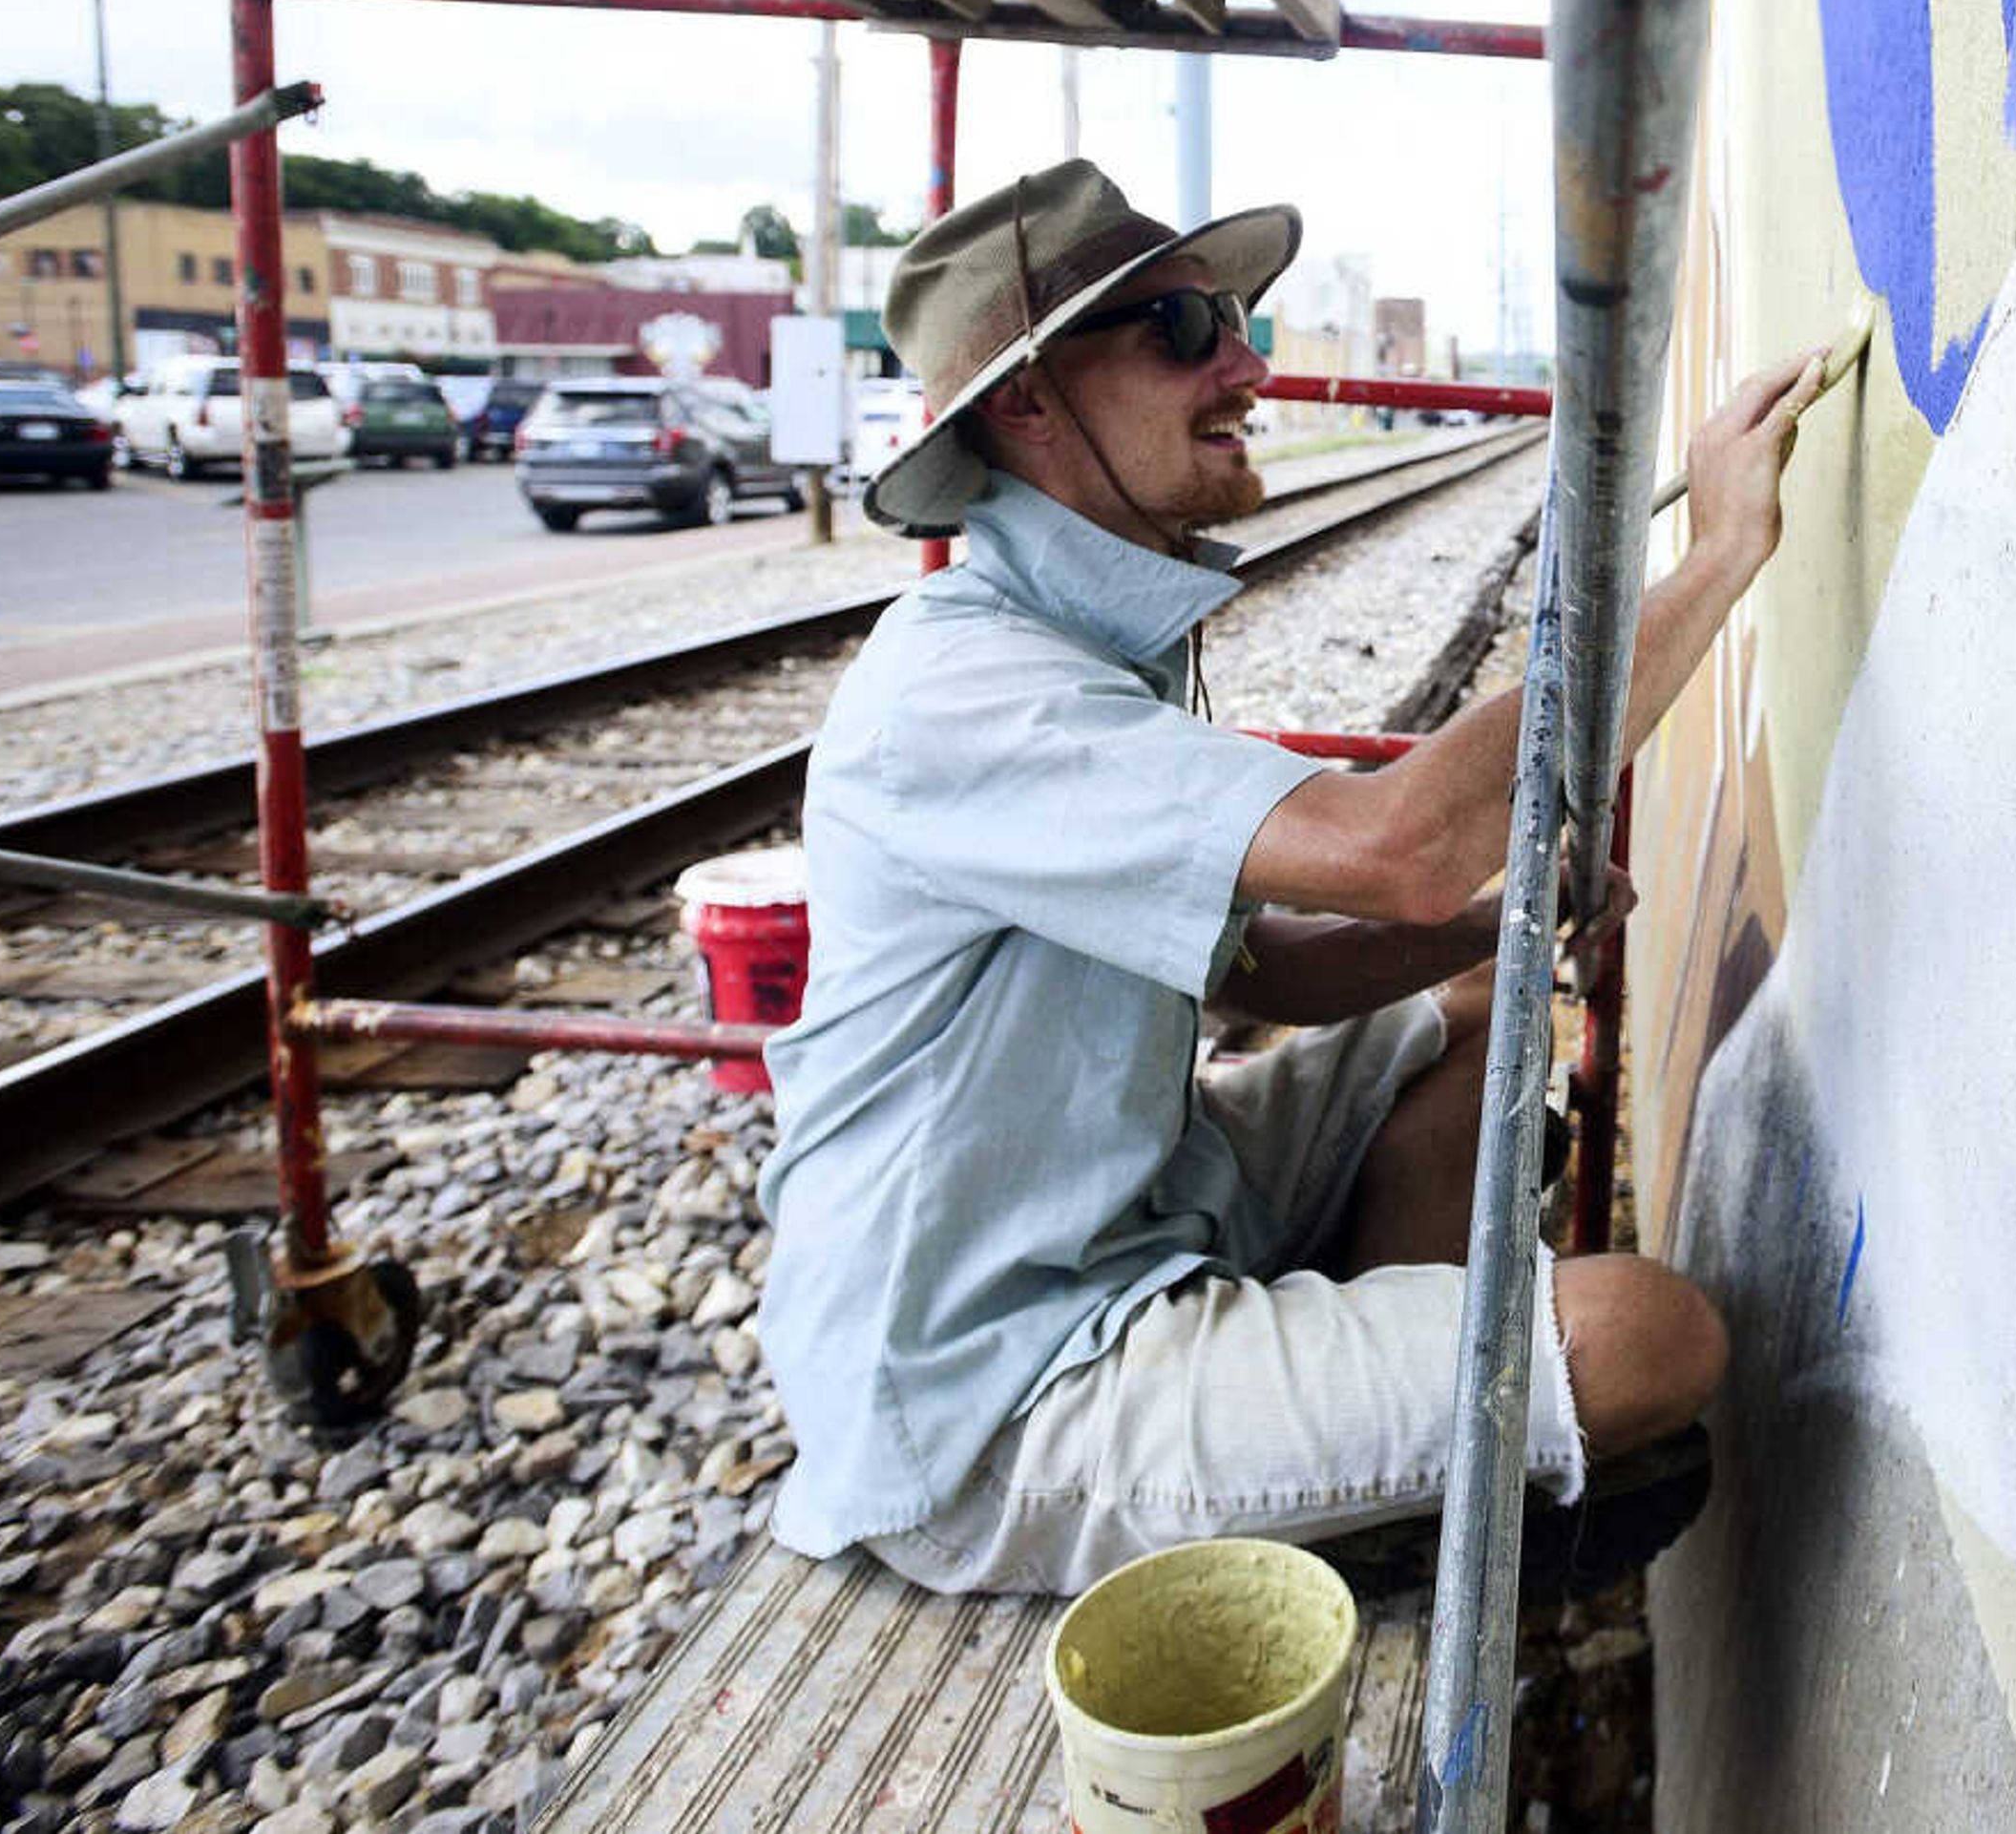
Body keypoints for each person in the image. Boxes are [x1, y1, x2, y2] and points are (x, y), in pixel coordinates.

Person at [754, 158, 1818, 1595]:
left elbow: (1270, 968)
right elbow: (1404, 847)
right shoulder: (970, 694)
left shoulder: (1083, 649)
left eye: (1233, 316)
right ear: (1026, 402)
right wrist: (1719, 561)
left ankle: (1388, 1422)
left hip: (1131, 1214)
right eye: (1182, 331)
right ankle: (1368, 1477)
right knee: (1651, 1339)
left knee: (1460, 993)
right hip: (993, 1391)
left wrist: (1507, 920)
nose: (1247, 361)